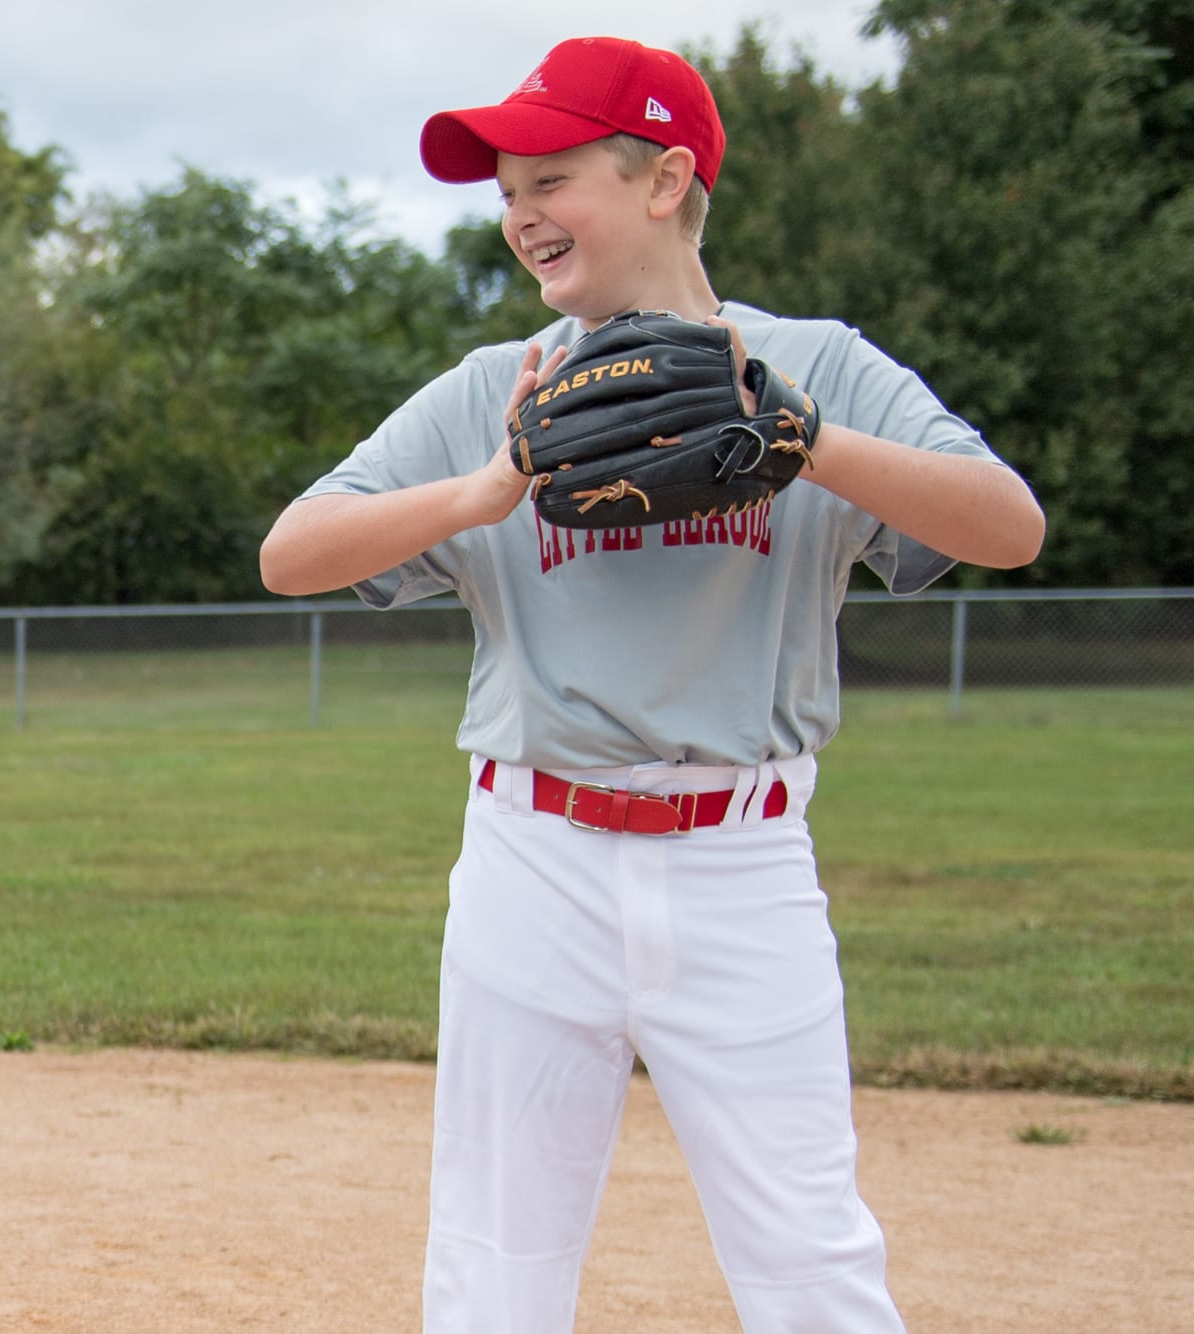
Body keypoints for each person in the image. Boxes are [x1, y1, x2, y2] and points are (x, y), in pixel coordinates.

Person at [260, 36, 1044, 1333]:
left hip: (745, 865)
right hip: (532, 856)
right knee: (493, 1264)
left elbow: (1008, 525)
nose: (520, 213)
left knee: (812, 1263)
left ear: (667, 176)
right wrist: (491, 484)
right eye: (507, 187)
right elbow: (293, 553)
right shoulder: (492, 390)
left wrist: (807, 439)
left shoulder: (816, 365)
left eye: (552, 176)